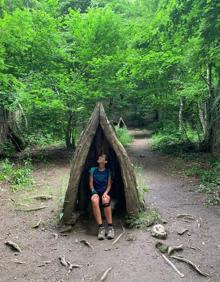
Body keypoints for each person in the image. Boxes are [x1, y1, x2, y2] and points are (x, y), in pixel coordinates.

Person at [89, 153, 115, 240]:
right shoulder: (93, 170)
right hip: (95, 191)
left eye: (102, 157)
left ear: (105, 161)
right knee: (94, 200)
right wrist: (94, 192)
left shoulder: (108, 172)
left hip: (105, 191)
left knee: (105, 200)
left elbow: (109, 185)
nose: (99, 157)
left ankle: (110, 228)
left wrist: (106, 193)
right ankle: (101, 228)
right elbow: (91, 184)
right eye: (99, 156)